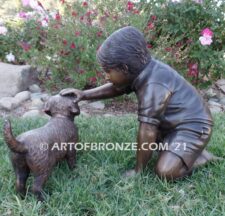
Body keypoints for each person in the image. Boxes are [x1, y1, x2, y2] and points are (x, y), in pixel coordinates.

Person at [60, 26, 218, 180]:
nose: (106, 76)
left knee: (166, 171)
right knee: (164, 153)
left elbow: (148, 130)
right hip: (173, 124)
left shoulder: (154, 86)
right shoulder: (141, 71)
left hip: (194, 127)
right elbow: (117, 87)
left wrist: (139, 170)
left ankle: (200, 158)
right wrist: (84, 95)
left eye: (108, 71)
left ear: (124, 68)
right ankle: (178, 148)